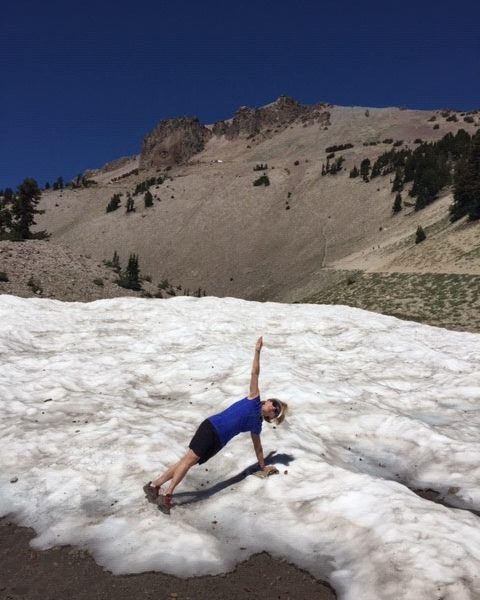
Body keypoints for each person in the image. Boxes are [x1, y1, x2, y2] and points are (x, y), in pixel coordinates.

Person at [145, 336, 288, 512]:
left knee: (186, 461)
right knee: (188, 462)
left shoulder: (256, 425)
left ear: (271, 416)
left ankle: (155, 486)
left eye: (276, 410)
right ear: (267, 401)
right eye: (274, 403)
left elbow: (257, 447)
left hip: (218, 441)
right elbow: (254, 373)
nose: (273, 407)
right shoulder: (254, 397)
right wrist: (257, 351)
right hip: (211, 428)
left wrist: (262, 465)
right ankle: (167, 495)